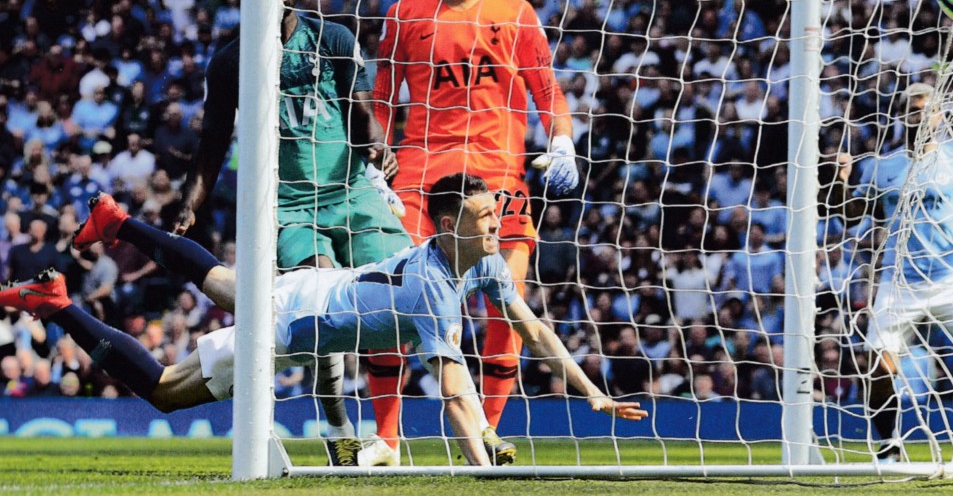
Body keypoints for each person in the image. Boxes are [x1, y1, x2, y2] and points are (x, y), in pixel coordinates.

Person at [0, 175, 646, 466]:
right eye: (483, 218)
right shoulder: (430, 285)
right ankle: (58, 302)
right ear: (448, 225)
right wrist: (479, 466)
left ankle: (115, 222)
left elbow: (534, 328)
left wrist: (592, 393)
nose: (495, 225)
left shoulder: (479, 263)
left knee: (224, 282)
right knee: (167, 389)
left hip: (317, 287)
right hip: (295, 320)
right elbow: (454, 388)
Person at [171, 0, 412, 466]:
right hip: (288, 205)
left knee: (407, 290)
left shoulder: (333, 38)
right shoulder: (228, 63)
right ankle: (338, 424)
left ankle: (467, 427)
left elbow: (361, 114)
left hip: (350, 191)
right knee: (318, 310)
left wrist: (380, 150)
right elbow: (213, 143)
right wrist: (189, 205)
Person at [371, 0, 580, 463]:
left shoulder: (515, 12)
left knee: (507, 305)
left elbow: (546, 89)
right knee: (393, 297)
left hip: (499, 175)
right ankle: (386, 439)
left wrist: (562, 139)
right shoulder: (405, 12)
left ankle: (486, 432)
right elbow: (382, 96)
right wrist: (373, 160)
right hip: (418, 174)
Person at [838, 83, 953, 461]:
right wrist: (842, 180)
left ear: (939, 116)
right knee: (876, 369)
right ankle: (889, 445)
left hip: (950, 278)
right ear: (903, 116)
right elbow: (852, 213)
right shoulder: (883, 166)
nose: (920, 116)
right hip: (899, 281)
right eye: (914, 110)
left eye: (927, 110)